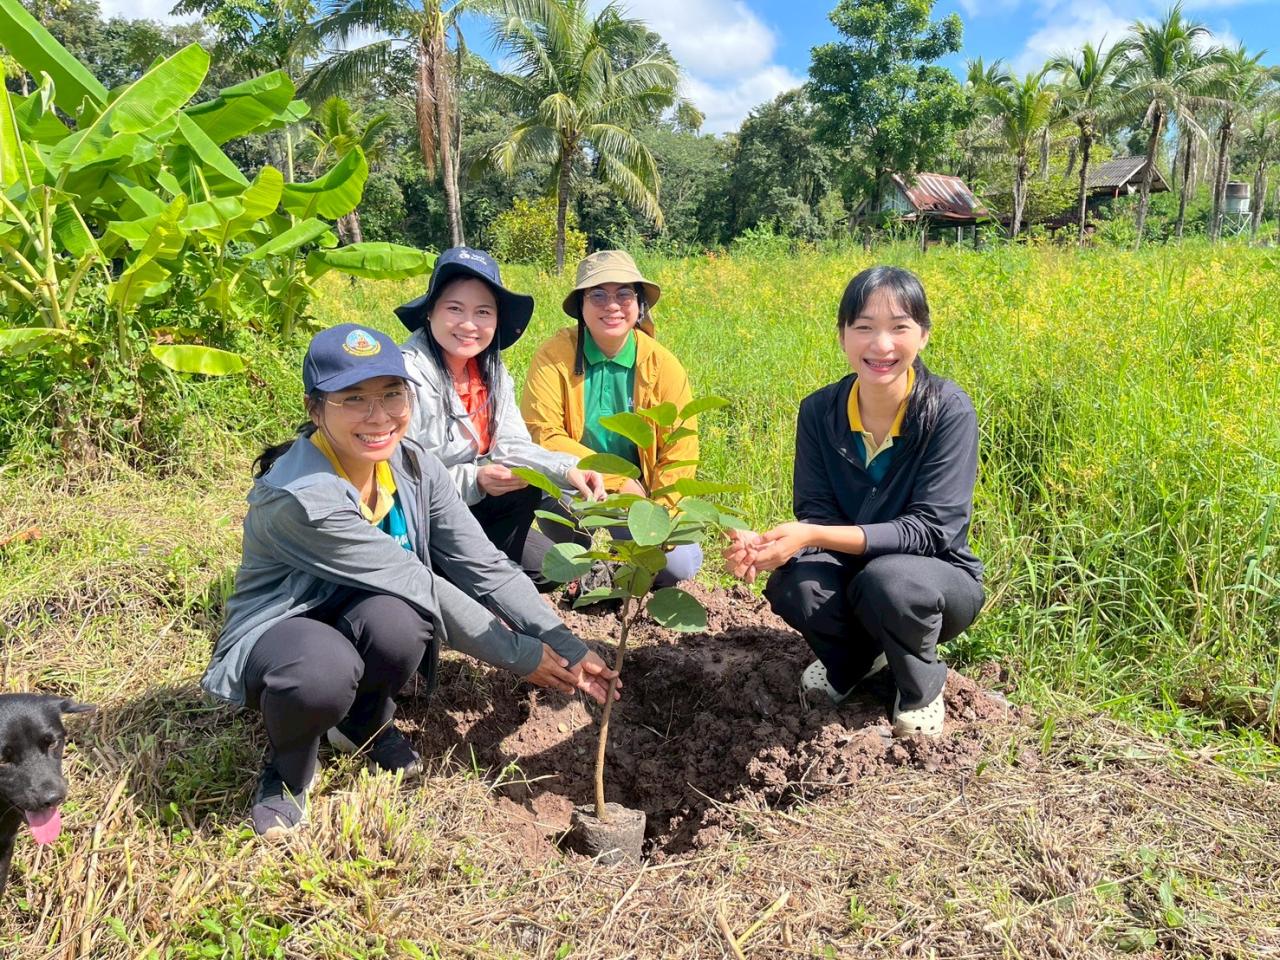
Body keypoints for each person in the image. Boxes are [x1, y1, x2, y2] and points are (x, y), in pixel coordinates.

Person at [202, 324, 618, 839]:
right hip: (291, 619)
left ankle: (363, 723)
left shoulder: (414, 466)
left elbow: (481, 563)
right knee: (321, 671)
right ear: (317, 409)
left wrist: (562, 641)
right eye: (353, 399)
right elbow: (422, 583)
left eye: (392, 395)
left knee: (402, 623)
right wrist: (522, 656)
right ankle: (287, 774)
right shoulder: (302, 496)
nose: (378, 417)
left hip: (366, 605)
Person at [724, 266, 983, 737]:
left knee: (892, 582)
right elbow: (817, 511)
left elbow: (932, 529)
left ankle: (921, 686)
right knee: (794, 585)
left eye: (898, 327)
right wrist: (770, 545)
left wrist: (813, 535)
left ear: (923, 335)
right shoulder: (820, 411)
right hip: (855, 572)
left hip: (934, 579)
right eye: (864, 327)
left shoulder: (948, 411)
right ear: (843, 335)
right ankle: (855, 662)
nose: (881, 346)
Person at [396, 248, 604, 588]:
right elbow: (403, 479)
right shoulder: (406, 376)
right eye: (454, 309)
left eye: (483, 312)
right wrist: (474, 479)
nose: (468, 324)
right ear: (430, 312)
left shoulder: (490, 371)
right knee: (513, 522)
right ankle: (451, 580)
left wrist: (567, 468)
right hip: (424, 520)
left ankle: (478, 573)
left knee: (552, 568)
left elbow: (512, 445)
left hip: (472, 512)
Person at [521, 250, 702, 588]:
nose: (612, 305)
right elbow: (542, 434)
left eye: (624, 294)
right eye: (598, 295)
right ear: (580, 306)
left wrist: (656, 517)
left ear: (639, 304)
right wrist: (618, 479)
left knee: (673, 568)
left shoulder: (662, 366)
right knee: (563, 548)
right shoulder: (554, 356)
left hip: (642, 497)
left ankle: (621, 565)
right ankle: (584, 557)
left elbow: (680, 453)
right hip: (575, 488)